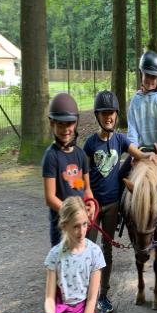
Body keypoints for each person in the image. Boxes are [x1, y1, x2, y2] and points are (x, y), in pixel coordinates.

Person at [27, 197, 120, 313]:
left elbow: (92, 299)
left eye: (85, 224)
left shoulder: (94, 253)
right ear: (64, 226)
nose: (82, 231)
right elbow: (49, 298)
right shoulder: (55, 255)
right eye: (76, 226)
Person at [84, 90, 157, 313]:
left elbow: (138, 154)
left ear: (116, 115)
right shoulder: (90, 144)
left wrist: (152, 156)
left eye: (112, 113)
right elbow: (83, 173)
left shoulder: (120, 140)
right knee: (87, 249)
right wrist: (85, 193)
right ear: (98, 116)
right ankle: (84, 295)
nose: (109, 117)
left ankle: (103, 295)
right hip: (94, 205)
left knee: (107, 250)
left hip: (112, 206)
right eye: (104, 113)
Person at [42, 93, 95, 247]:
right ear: (52, 123)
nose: (66, 129)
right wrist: (74, 214)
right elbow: (50, 198)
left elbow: (86, 189)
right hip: (63, 226)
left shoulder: (81, 154)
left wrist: (91, 204)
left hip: (81, 225)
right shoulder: (51, 156)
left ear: (76, 123)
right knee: (62, 261)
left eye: (69, 124)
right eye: (60, 124)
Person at [120, 50, 157, 189]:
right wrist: (134, 152)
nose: (151, 80)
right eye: (147, 75)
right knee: (119, 177)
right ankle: (117, 204)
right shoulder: (135, 101)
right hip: (140, 150)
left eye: (154, 77)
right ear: (141, 73)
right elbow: (132, 130)